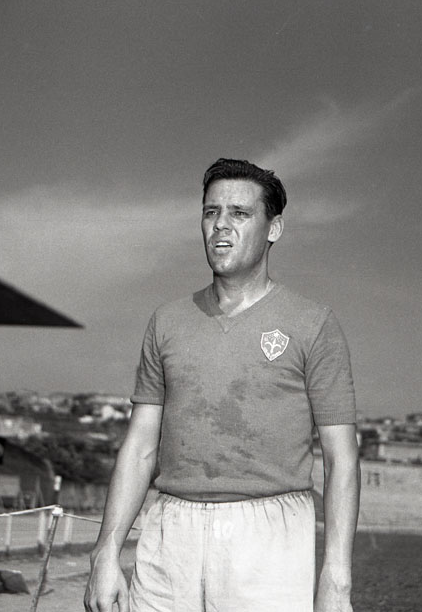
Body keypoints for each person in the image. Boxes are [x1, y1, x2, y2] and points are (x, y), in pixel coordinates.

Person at [84, 158, 360, 612]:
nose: (221, 226)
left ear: (274, 229)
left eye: (240, 213)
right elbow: (140, 448)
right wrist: (106, 551)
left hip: (268, 539)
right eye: (211, 212)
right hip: (169, 532)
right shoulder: (167, 321)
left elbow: (341, 458)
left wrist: (337, 578)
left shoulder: (313, 325)